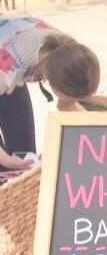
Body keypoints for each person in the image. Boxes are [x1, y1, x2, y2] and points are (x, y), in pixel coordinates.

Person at [0, 16, 100, 170]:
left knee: (25, 156)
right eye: (71, 98)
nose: (72, 103)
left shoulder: (67, 52)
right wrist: (6, 160)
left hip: (14, 66)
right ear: (52, 81)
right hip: (6, 60)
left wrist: (102, 131)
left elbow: (68, 108)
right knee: (5, 166)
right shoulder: (8, 64)